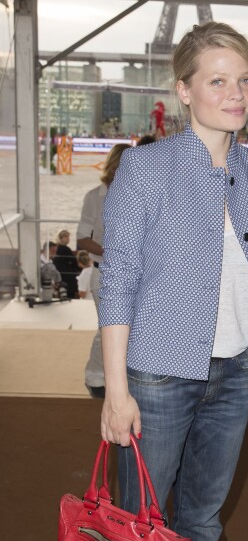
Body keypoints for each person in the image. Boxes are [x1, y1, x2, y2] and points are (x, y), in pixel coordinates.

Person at [99, 22, 248, 541]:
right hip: (156, 372)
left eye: (244, 80)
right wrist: (116, 393)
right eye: (218, 80)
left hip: (235, 370)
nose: (236, 94)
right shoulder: (148, 168)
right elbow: (116, 277)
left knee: (204, 519)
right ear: (183, 90)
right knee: (146, 517)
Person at [77, 143, 130, 398]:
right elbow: (81, 239)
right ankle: (95, 377)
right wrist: (109, 252)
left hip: (133, 271)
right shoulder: (93, 196)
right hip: (103, 270)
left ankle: (122, 379)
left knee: (128, 328)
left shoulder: (136, 192)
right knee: (107, 328)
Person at [53, 229, 79, 298]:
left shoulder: (57, 248)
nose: (68, 238)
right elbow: (74, 261)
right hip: (67, 275)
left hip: (59, 274)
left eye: (68, 237)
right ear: (61, 238)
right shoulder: (65, 249)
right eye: (66, 237)